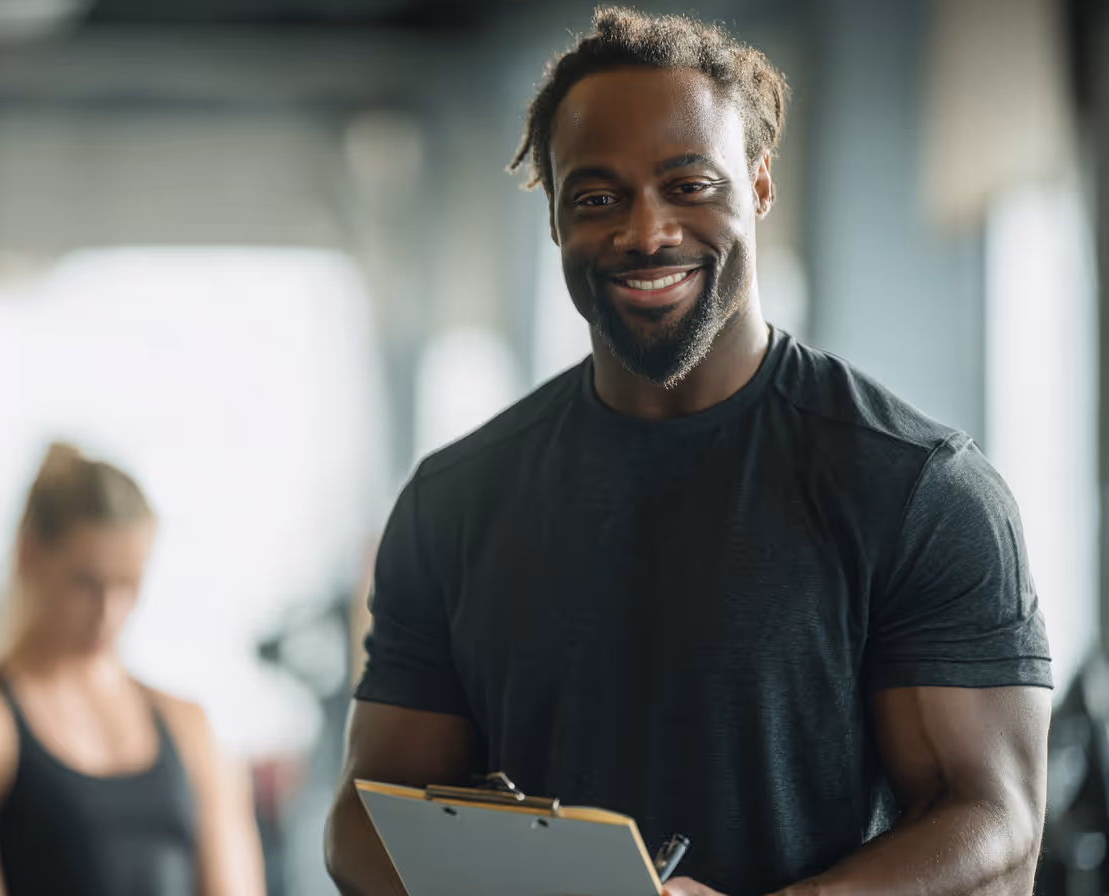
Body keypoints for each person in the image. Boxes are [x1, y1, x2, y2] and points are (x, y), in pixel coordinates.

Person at [324, 8, 1052, 896]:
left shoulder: (916, 489)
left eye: (689, 186)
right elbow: (366, 815)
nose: (645, 231)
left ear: (760, 187)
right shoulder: (454, 501)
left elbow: (995, 826)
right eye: (596, 197)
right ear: (555, 220)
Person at [0, 443, 265, 896]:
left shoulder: (188, 728)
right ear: (29, 554)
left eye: (128, 585)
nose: (109, 612)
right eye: (86, 583)